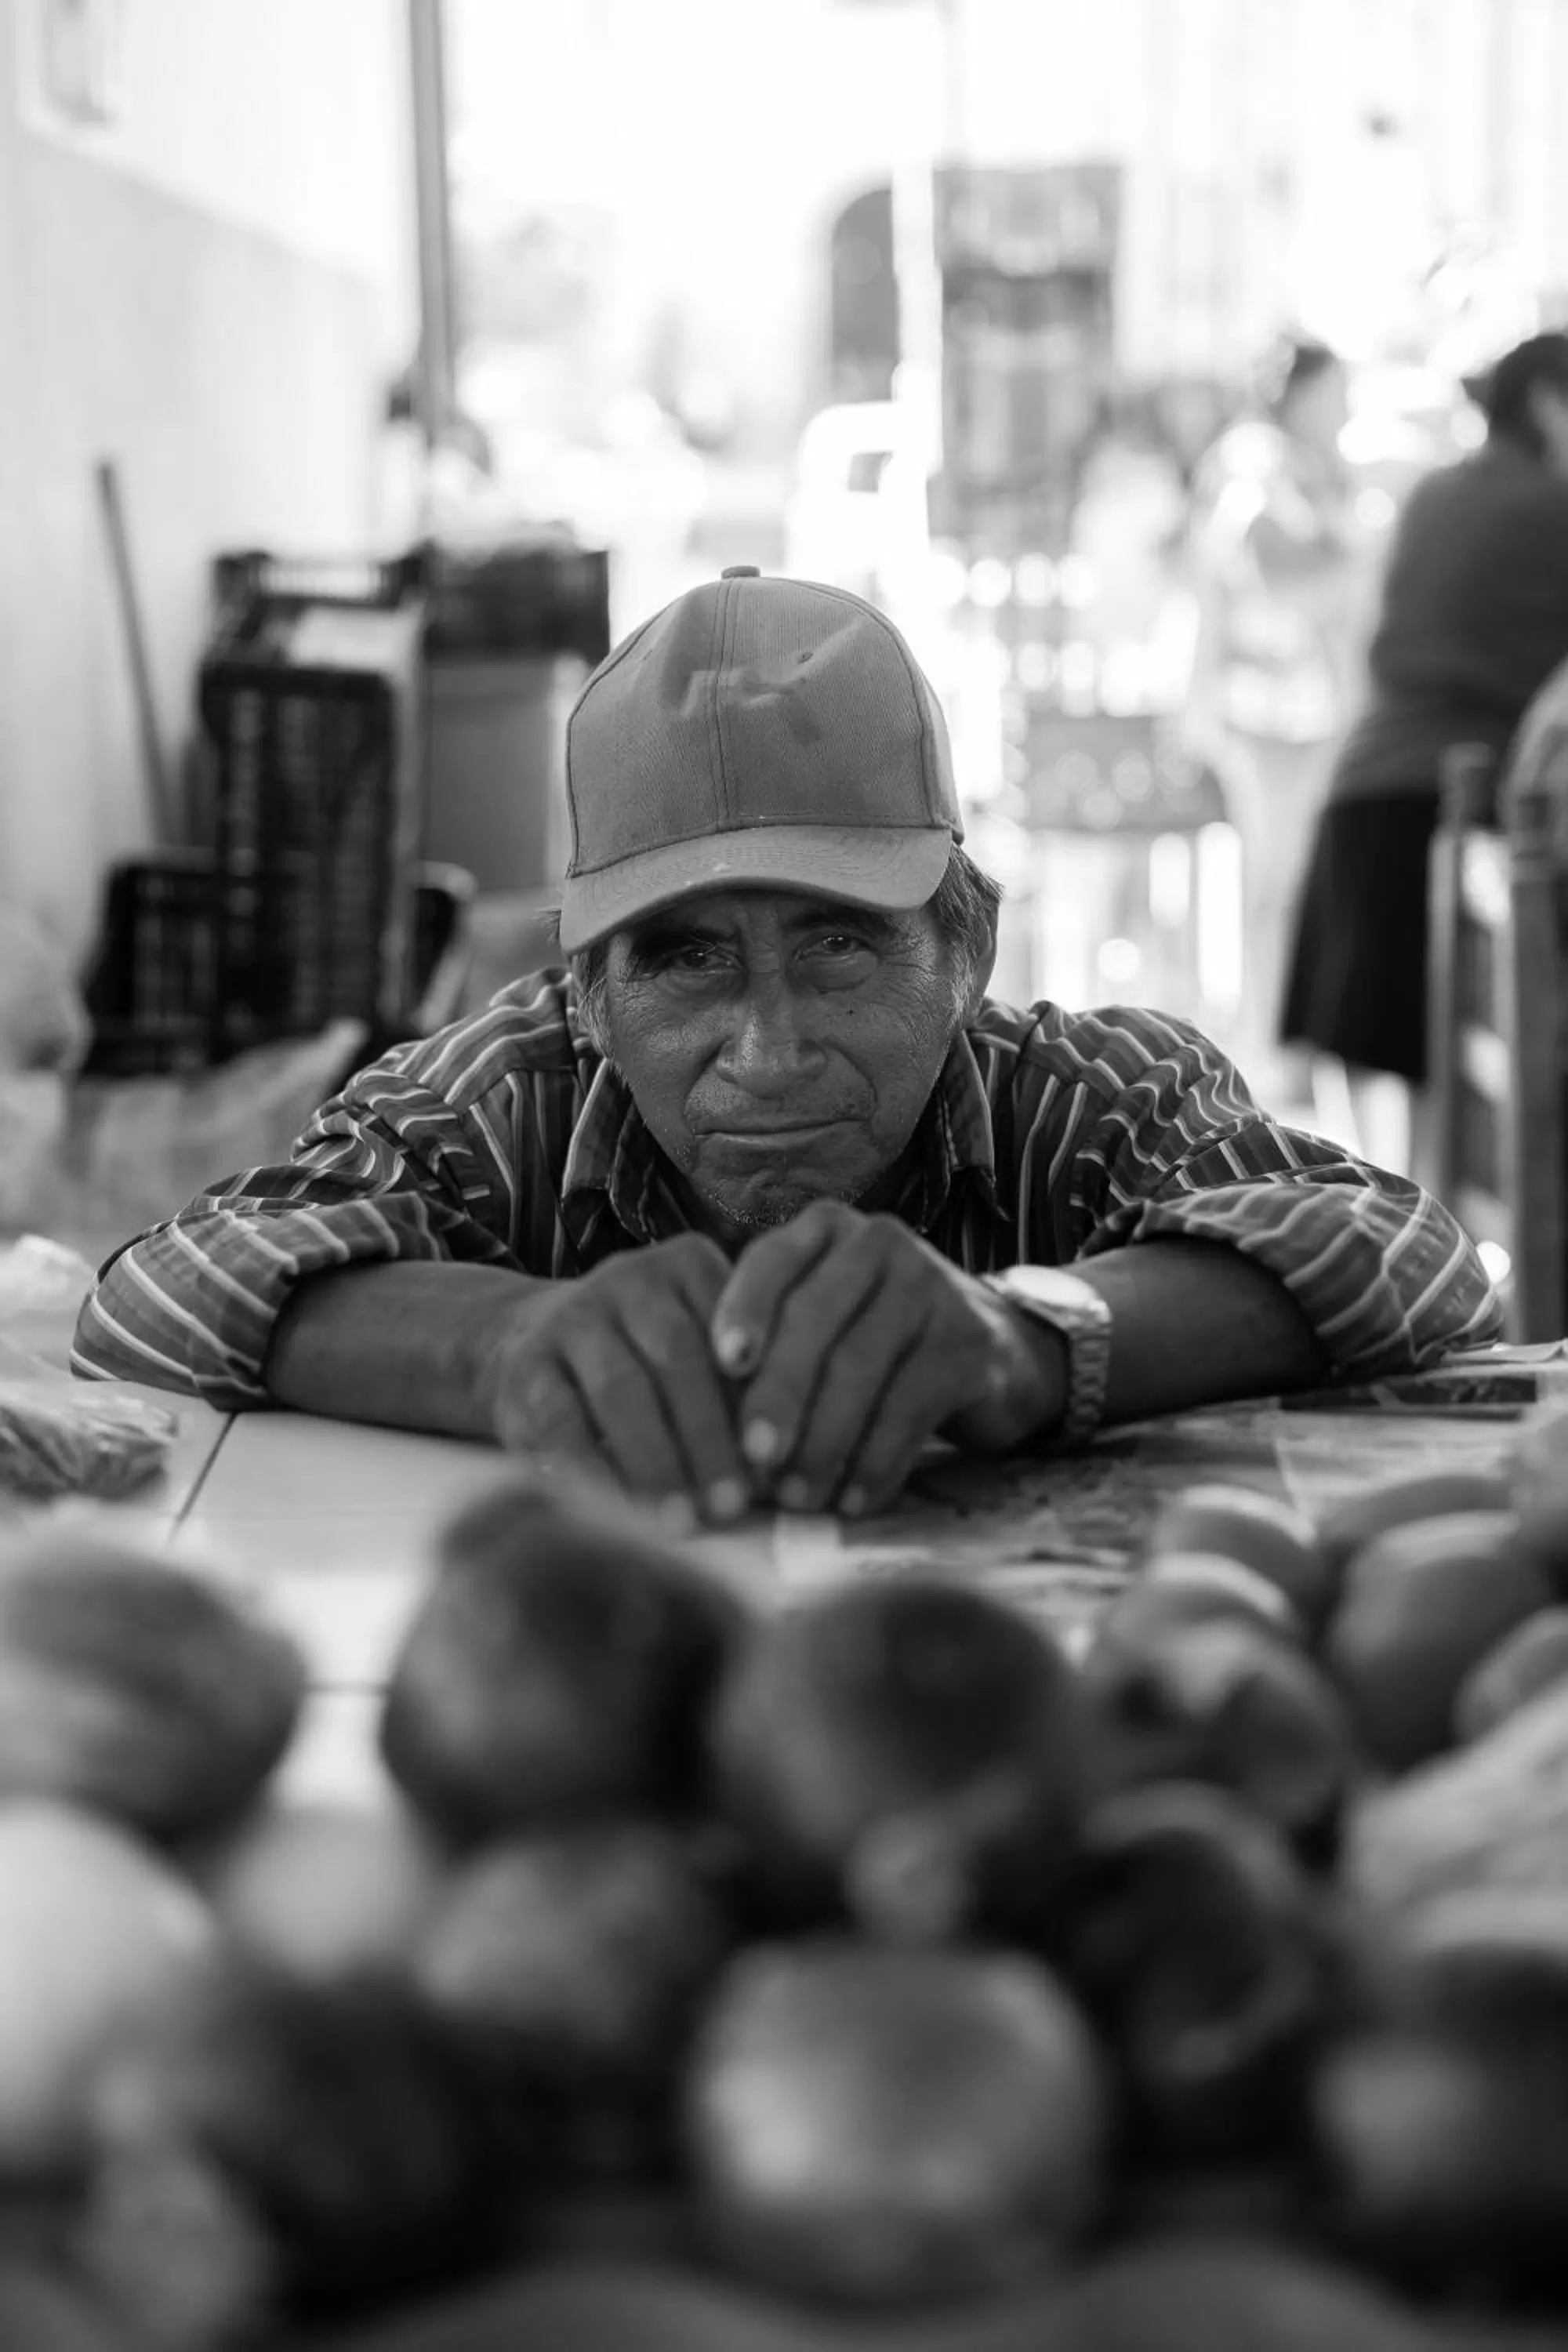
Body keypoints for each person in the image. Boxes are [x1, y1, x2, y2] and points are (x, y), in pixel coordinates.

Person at [73, 569, 1498, 1527]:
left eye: (839, 941)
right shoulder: (496, 1103)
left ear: (967, 948)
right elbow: (155, 1297)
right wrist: (501, 1346)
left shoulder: (1087, 1098)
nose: (766, 1051)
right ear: (582, 993)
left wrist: (1032, 1340)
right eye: (685, 959)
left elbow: (1410, 1260)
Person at [1282, 330, 1568, 1174]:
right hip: (1438, 801)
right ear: (1549, 406)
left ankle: (1393, 1247)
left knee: (1373, 1049)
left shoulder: (1435, 493)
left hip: (1364, 786)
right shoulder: (1549, 509)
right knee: (1435, 1071)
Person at [1182, 338, 1367, 1098]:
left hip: (1308, 712)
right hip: (1269, 714)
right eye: (1332, 394)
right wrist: (1348, 560)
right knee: (1274, 883)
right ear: (1298, 395)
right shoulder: (1254, 461)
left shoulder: (1310, 465)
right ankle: (1268, 1049)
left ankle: (1287, 1044)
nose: (1343, 410)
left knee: (1292, 881)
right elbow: (1264, 562)